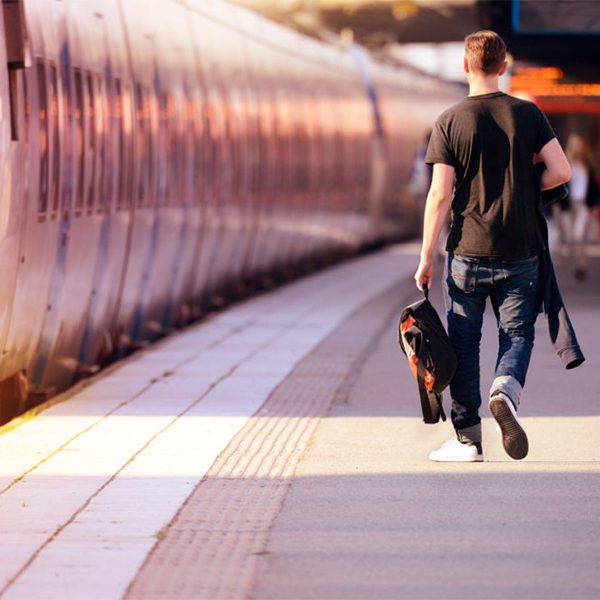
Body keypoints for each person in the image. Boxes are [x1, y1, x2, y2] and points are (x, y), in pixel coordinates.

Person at [414, 30, 572, 462]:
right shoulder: (528, 114)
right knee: (517, 334)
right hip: (520, 249)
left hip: (467, 251)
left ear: (465, 66)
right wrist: (526, 188)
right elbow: (560, 170)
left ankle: (467, 439)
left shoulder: (449, 120)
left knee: (463, 344)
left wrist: (426, 255)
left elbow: (440, 195)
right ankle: (505, 389)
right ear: (504, 67)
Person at [559, 133, 598, 280]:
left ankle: (581, 265)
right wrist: (557, 204)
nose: (578, 148)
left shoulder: (588, 165)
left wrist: (594, 206)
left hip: (582, 204)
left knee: (578, 235)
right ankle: (577, 262)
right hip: (568, 205)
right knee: (570, 237)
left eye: (580, 145)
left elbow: (594, 188)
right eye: (576, 145)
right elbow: (560, 184)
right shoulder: (566, 164)